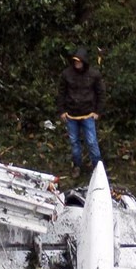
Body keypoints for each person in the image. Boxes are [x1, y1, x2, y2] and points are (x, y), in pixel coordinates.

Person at [57, 47, 104, 176]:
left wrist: (97, 112)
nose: (77, 64)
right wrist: (62, 111)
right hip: (71, 115)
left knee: (92, 142)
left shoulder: (94, 74)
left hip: (88, 114)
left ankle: (98, 170)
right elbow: (61, 93)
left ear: (84, 61)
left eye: (79, 61)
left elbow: (100, 93)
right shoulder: (66, 74)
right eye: (75, 61)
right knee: (74, 142)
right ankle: (77, 166)